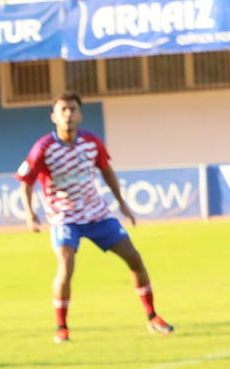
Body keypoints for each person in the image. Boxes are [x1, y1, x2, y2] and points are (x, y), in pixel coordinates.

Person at [17, 91, 174, 343]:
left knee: (134, 258)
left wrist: (121, 203)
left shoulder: (91, 142)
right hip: (64, 217)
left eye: (72, 109)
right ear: (53, 116)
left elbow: (106, 170)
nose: (68, 114)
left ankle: (152, 316)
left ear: (80, 114)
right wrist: (30, 214)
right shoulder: (43, 148)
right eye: (63, 110)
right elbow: (25, 181)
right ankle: (62, 327)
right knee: (66, 265)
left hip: (97, 215)